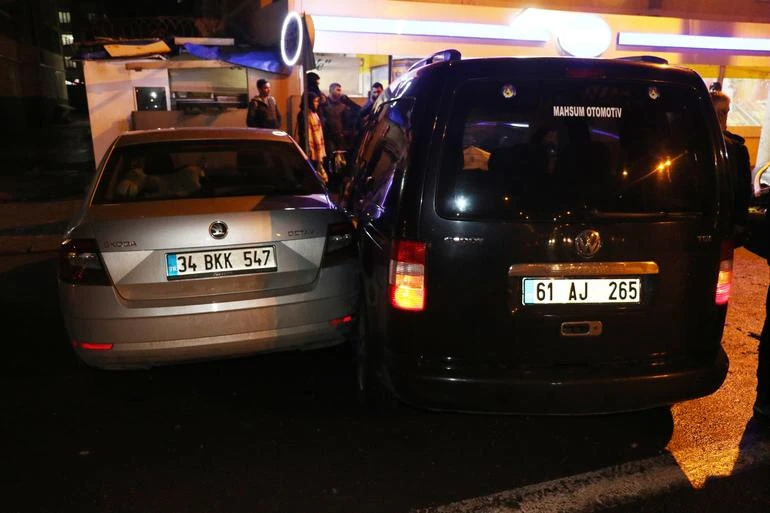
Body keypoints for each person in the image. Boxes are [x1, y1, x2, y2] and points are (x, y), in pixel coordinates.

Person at [710, 89, 752, 241]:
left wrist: (740, 221)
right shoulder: (736, 148)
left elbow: (742, 189)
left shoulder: (736, 148)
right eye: (721, 112)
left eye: (726, 112)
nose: (724, 117)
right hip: (721, 220)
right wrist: (740, 221)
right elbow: (743, 189)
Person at [295, 92, 328, 185]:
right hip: (309, 148)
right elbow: (304, 134)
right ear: (309, 102)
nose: (317, 103)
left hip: (316, 147)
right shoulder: (303, 114)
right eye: (315, 101)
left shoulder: (314, 114)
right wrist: (308, 148)